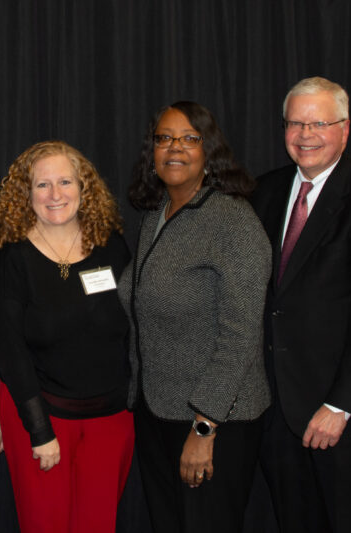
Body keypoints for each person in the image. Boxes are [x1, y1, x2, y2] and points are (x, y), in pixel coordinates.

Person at [250, 77, 351, 532]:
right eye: (295, 123)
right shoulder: (264, 192)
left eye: (319, 122)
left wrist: (340, 406)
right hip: (277, 413)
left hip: (346, 418)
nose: (305, 134)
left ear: (345, 128)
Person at [118, 101, 271, 532]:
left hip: (214, 422)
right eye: (164, 138)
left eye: (189, 138)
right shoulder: (156, 215)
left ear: (210, 150)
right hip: (157, 412)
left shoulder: (233, 221)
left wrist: (204, 429)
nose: (174, 148)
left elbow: (241, 336)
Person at [0, 140, 134, 533]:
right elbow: (9, 349)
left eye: (65, 181)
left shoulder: (112, 247)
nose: (55, 195)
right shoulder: (13, 258)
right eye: (42, 185)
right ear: (26, 194)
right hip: (41, 416)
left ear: (84, 188)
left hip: (111, 419)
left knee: (97, 525)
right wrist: (39, 429)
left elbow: (134, 330)